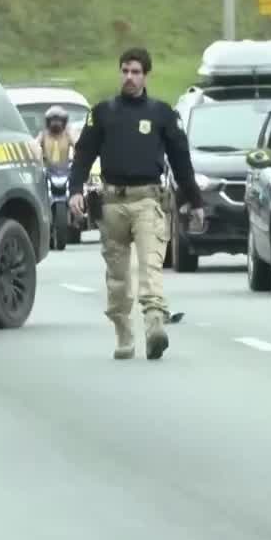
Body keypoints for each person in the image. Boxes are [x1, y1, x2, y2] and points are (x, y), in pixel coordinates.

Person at [68, 48, 204, 361]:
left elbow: (181, 160)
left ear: (146, 76)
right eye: (125, 71)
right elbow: (84, 154)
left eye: (136, 72)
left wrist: (195, 201)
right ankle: (123, 332)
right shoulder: (102, 113)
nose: (129, 77)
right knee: (117, 277)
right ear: (120, 73)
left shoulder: (162, 114)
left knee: (150, 267)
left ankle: (155, 324)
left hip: (147, 201)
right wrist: (75, 189)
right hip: (112, 203)